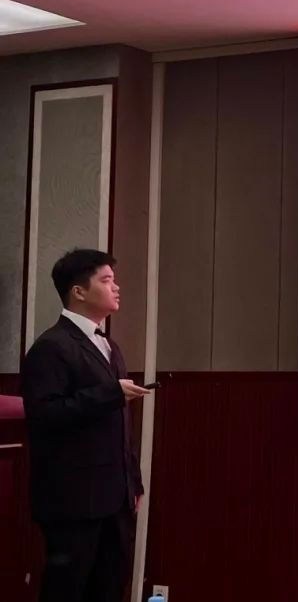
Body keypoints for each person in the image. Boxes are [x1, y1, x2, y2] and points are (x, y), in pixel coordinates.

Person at [20, 249, 151, 602]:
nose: (116, 287)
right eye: (106, 280)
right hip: (73, 500)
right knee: (68, 590)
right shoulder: (51, 347)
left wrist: (133, 480)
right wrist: (110, 393)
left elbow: (118, 424)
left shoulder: (109, 345)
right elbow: (44, 415)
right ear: (78, 291)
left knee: (108, 587)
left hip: (115, 497)